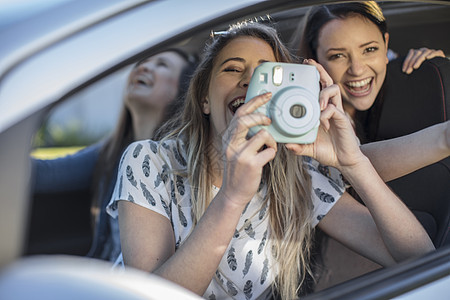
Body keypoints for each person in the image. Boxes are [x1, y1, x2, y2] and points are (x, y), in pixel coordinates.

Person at [106, 22, 434, 300]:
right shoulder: (150, 160)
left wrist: (352, 163)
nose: (249, 82)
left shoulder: (299, 177)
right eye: (232, 69)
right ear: (205, 98)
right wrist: (232, 197)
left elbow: (420, 260)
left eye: (266, 74)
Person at [32, 49, 197, 262]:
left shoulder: (186, 161)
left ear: (184, 89)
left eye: (162, 65)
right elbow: (46, 173)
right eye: (144, 61)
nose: (143, 67)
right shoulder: (111, 152)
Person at [297, 1, 446, 143]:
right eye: (338, 56)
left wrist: (439, 72)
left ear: (385, 45)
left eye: (369, 49)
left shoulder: (408, 84)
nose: (356, 70)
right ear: (314, 58)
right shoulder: (305, 118)